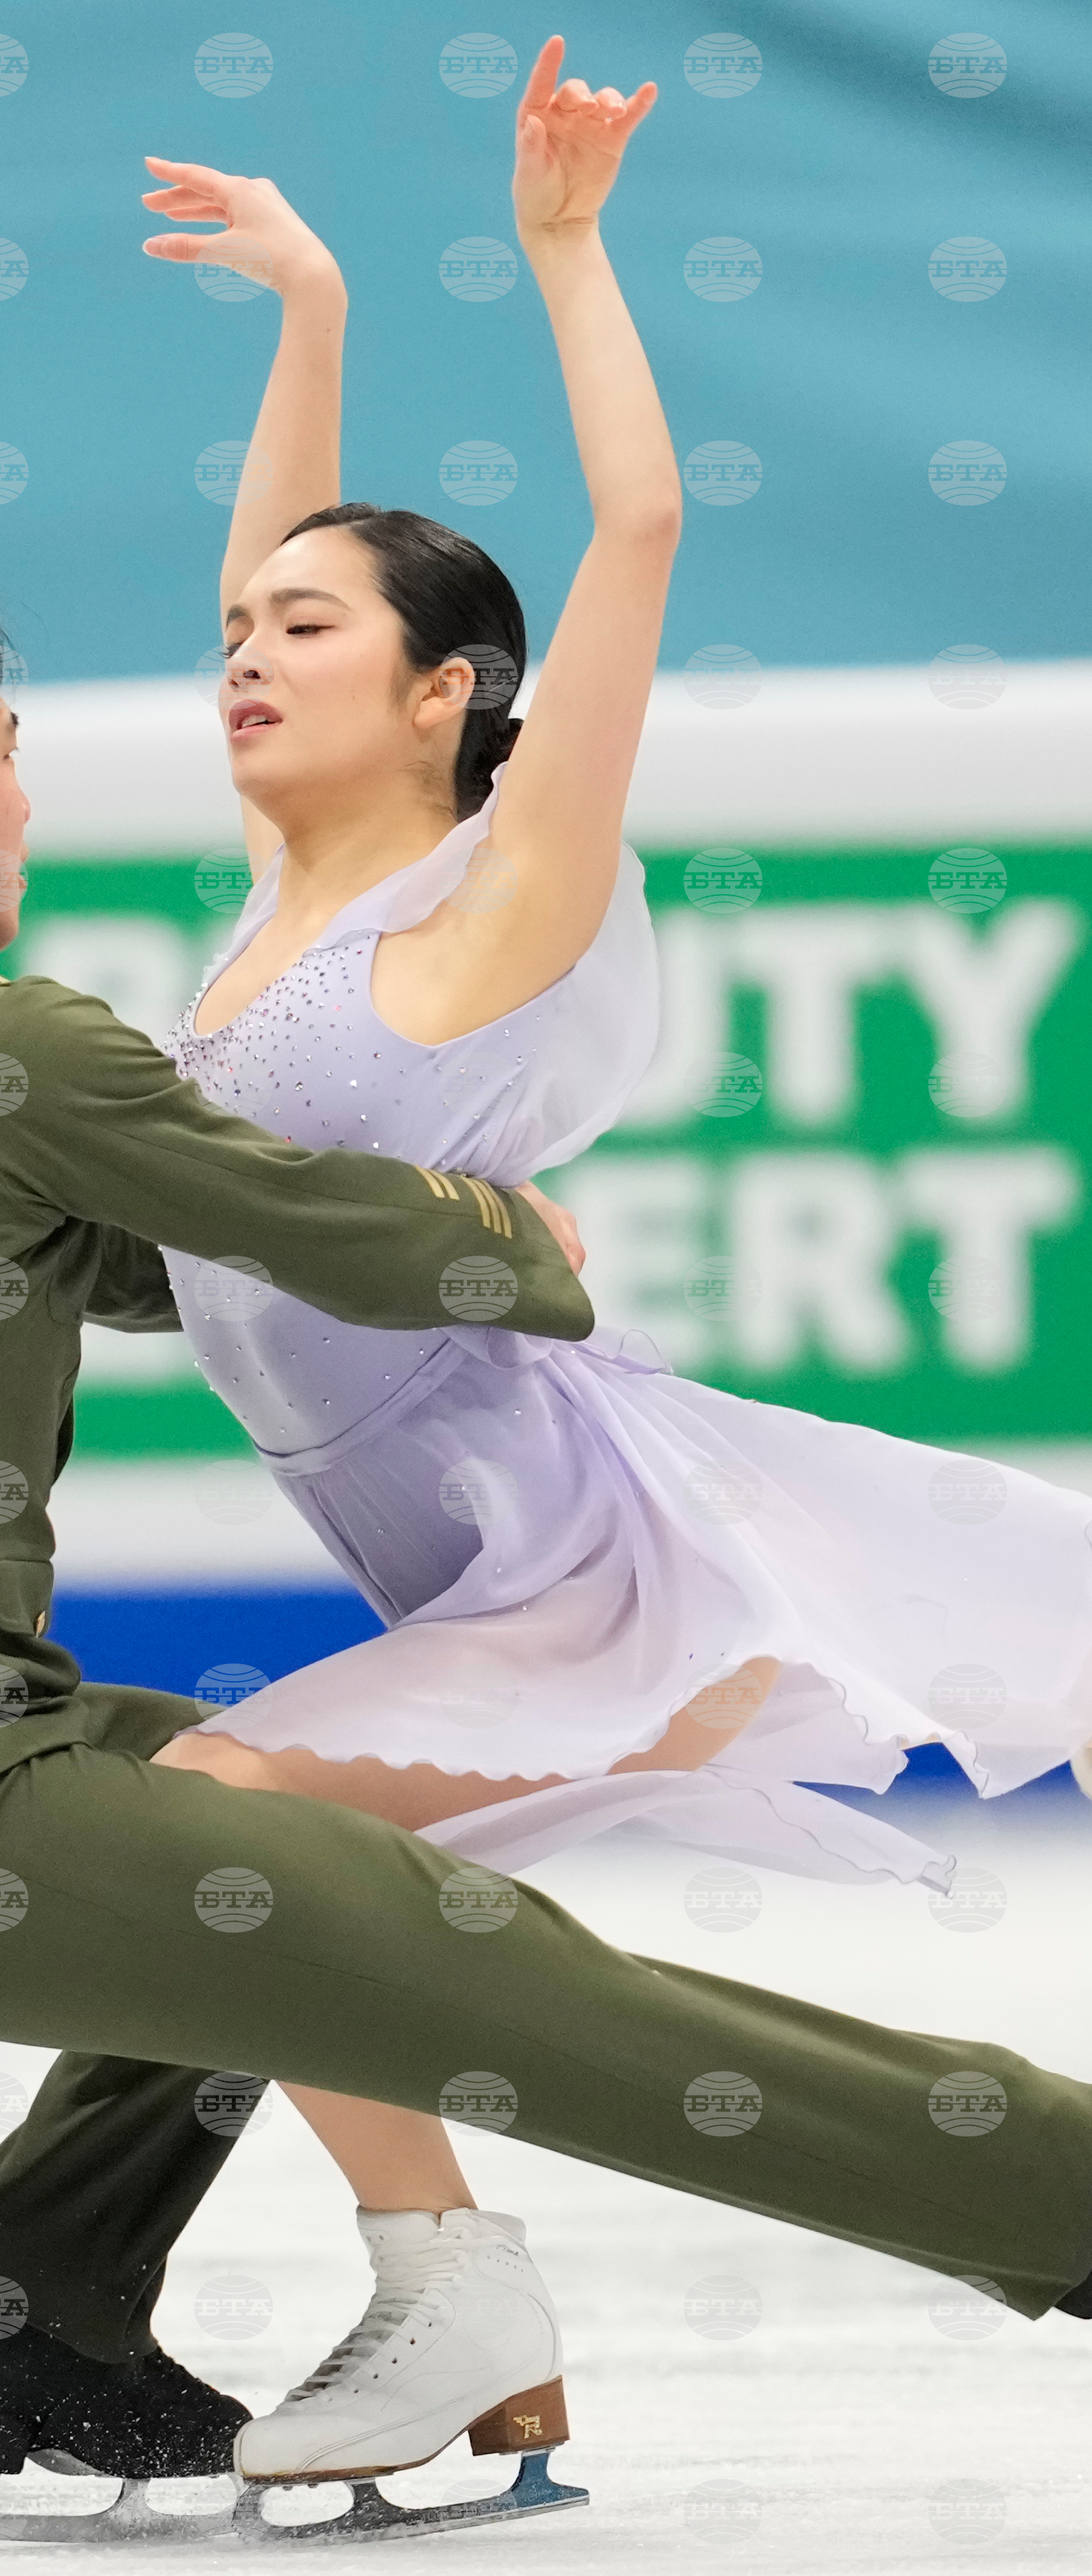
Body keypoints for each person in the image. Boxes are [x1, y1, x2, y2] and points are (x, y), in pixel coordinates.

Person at [124, 33, 1092, 2486]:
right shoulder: (279, 903)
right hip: (442, 1539)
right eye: (243, 626)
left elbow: (638, 532)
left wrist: (565, 255)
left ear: (452, 697)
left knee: (222, 1834)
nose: (247, 650)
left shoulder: (488, 901)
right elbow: (279, 535)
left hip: (583, 1556)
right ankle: (469, 2297)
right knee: (250, 1878)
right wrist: (304, 307)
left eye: (310, 631)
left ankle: (456, 2302)